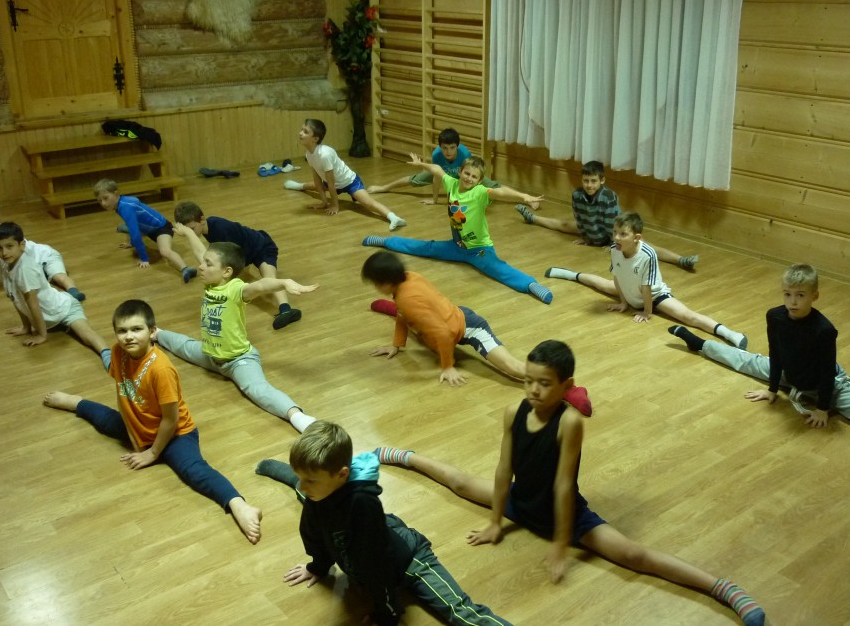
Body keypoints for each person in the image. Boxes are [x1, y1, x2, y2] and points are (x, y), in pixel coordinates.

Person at [373, 340, 766, 626]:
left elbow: (563, 486)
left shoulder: (570, 423)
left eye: (544, 383)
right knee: (460, 482)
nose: (533, 390)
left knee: (634, 555)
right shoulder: (513, 411)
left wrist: (562, 544)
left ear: (566, 385)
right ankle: (403, 455)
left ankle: (723, 588)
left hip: (568, 516)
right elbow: (503, 467)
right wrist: (495, 521)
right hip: (520, 501)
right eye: (528, 380)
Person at [42, 299, 262, 544]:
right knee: (106, 421)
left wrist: (152, 453)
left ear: (152, 331)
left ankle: (241, 506)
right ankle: (76, 402)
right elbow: (122, 393)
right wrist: (131, 430)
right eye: (122, 331)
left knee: (193, 471)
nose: (128, 336)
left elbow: (171, 419)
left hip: (175, 433)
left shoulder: (161, 369)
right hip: (140, 422)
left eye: (136, 329)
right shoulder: (118, 353)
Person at [255, 420, 512, 626]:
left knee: (461, 612)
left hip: (409, 559)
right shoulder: (317, 491)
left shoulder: (362, 505)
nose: (303, 486)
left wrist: (387, 614)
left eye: (310, 480)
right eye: (300, 477)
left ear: (342, 475)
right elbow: (311, 528)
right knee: (310, 498)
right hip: (375, 538)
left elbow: (376, 567)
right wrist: (318, 567)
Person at [360, 250, 591, 416]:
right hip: (447, 317)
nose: (375, 288)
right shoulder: (409, 277)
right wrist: (396, 344)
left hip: (470, 327)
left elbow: (442, 333)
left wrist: (447, 366)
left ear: (387, 283)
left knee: (513, 368)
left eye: (375, 284)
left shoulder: (407, 300)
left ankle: (568, 389)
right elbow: (405, 312)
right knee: (418, 326)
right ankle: (391, 310)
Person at [154, 237, 318, 433]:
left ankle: (298, 417)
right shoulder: (211, 284)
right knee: (183, 345)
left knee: (257, 390)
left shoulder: (235, 289)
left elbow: (260, 286)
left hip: (238, 360)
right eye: (203, 262)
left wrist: (284, 282)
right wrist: (188, 231)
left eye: (208, 264)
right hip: (211, 354)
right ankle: (156, 333)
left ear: (227, 272)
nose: (200, 267)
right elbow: (200, 251)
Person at [669, 263, 849, 429]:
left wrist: (822, 409)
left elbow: (827, 371)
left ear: (814, 296)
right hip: (789, 372)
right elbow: (776, 354)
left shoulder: (824, 330)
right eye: (787, 294)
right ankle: (700, 344)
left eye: (800, 295)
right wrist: (772, 390)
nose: (792, 302)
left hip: (826, 384)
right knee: (746, 362)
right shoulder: (775, 316)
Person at [363, 153, 554, 304]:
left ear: (479, 180)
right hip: (456, 246)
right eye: (467, 173)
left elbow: (501, 191)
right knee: (425, 247)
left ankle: (531, 285)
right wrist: (422, 165)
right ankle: (386, 241)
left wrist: (523, 196)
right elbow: (437, 169)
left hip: (479, 250)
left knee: (499, 270)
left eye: (474, 176)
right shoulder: (452, 184)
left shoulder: (480, 193)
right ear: (460, 172)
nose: (469, 178)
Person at [545, 212, 747, 347]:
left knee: (687, 316)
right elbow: (617, 276)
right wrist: (623, 302)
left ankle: (730, 334)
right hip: (629, 290)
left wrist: (647, 312)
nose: (616, 238)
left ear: (637, 238)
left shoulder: (647, 255)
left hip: (654, 296)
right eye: (615, 233)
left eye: (623, 234)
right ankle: (569, 274)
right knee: (601, 284)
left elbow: (647, 288)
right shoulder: (615, 249)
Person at [515, 161, 698, 271]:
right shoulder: (577, 195)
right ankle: (533, 218)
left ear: (602, 180)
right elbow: (579, 218)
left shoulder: (609, 196)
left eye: (593, 181)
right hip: (590, 229)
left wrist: (615, 244)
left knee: (643, 246)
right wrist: (586, 238)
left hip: (611, 233)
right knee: (563, 225)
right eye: (586, 181)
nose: (589, 185)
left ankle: (680, 260)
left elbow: (614, 224)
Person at [0, 222, 110, 369]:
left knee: (85, 334)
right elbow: (15, 298)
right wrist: (26, 327)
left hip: (65, 309)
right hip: (49, 319)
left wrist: (41, 335)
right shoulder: (3, 263)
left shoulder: (25, 269)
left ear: (22, 245)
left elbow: (32, 303)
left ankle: (109, 356)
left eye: (9, 246)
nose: (4, 252)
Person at [173, 201, 302, 330]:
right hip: (245, 250)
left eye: (192, 228)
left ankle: (286, 309)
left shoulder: (220, 228)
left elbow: (212, 257)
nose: (191, 231)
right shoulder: (209, 227)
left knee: (269, 277)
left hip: (262, 246)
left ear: (202, 219)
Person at [283, 119, 407, 231]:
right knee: (313, 186)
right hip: (334, 183)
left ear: (315, 139)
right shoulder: (308, 154)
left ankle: (394, 218)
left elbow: (331, 183)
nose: (300, 133)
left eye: (305, 132)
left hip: (350, 182)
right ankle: (299, 186)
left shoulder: (324, 155)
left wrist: (335, 205)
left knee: (368, 203)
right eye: (301, 130)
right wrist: (324, 202)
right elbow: (317, 180)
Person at [0, 198, 86, 301]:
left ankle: (74, 292)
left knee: (60, 277)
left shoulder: (7, 234)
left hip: (46, 256)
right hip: (36, 265)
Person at [93, 178, 197, 282]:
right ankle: (130, 233)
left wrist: (144, 258)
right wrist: (132, 243)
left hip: (161, 228)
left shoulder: (125, 207)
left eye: (105, 198)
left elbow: (135, 234)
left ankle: (185, 269)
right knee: (123, 227)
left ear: (116, 194)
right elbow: (133, 224)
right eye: (100, 201)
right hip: (147, 229)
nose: (103, 203)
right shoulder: (121, 203)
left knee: (165, 251)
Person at [368, 127, 500, 202]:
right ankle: (384, 187)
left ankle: (515, 197)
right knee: (414, 179)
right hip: (444, 173)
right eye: (445, 148)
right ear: (440, 147)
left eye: (452, 148)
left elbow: (468, 177)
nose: (448, 152)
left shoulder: (465, 154)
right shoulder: (436, 155)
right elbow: (437, 177)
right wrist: (434, 200)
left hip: (462, 176)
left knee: (493, 186)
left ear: (457, 146)